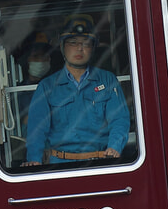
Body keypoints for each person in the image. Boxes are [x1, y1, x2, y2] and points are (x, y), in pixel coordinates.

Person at [25, 15, 129, 165]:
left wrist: (114, 147)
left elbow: (119, 119)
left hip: (101, 162)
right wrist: (34, 160)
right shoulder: (47, 86)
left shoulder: (107, 80)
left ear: (93, 48)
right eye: (73, 43)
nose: (79, 48)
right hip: (59, 165)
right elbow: (37, 130)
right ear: (62, 47)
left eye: (85, 43)